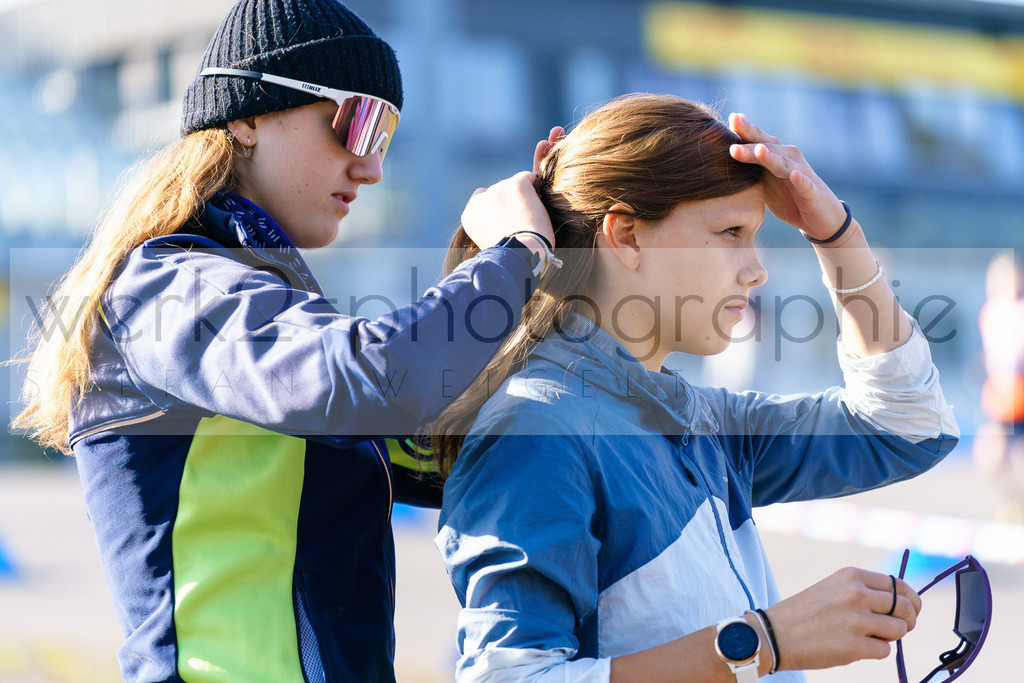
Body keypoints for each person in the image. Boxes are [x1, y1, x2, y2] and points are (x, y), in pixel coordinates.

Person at [10, 0, 561, 681]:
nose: (371, 167)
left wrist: (582, 243)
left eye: (384, 135)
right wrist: (515, 253)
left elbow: (459, 456)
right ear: (245, 115)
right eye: (356, 122)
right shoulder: (168, 288)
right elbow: (382, 377)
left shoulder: (275, 310)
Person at [428, 94, 959, 682]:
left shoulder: (701, 419)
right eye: (731, 231)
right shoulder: (539, 428)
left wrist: (837, 235)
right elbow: (509, 677)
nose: (757, 269)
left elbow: (908, 427)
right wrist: (765, 643)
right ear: (626, 235)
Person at [973, 252, 1024, 523]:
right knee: (989, 456)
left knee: (1016, 456)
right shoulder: (991, 312)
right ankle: (1013, 502)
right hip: (1001, 397)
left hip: (1019, 396)